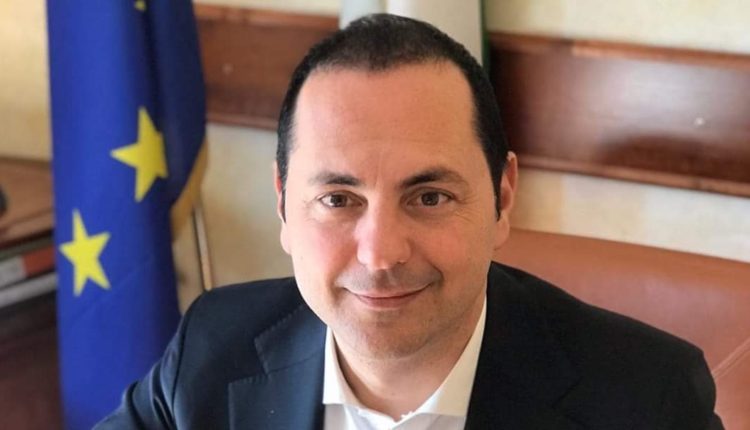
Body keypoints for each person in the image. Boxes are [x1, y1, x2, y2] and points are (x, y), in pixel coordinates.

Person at [96, 14, 723, 429]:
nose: (380, 254)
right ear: (283, 202)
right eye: (338, 199)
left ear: (503, 197)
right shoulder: (213, 347)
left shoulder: (645, 398)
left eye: (428, 197)